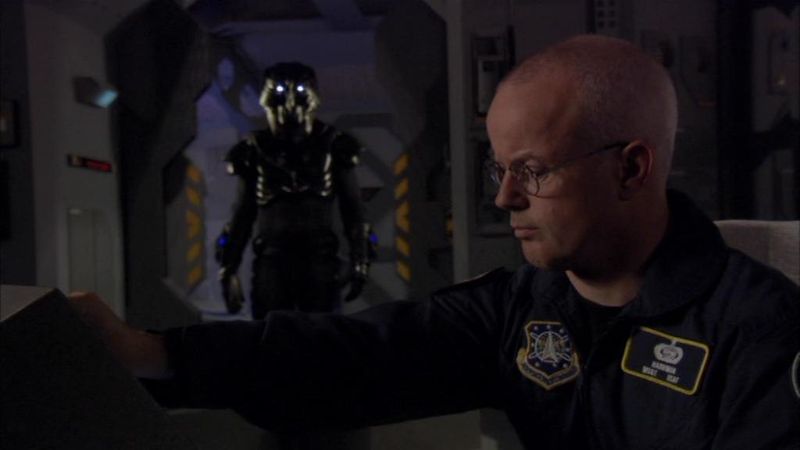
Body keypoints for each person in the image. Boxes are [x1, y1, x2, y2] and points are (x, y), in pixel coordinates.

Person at [69, 34, 800, 449]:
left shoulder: (761, 332)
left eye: (532, 171)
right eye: (499, 170)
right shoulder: (519, 310)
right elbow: (351, 356)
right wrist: (151, 353)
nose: (505, 198)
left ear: (631, 168)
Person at [214, 61, 375, 318]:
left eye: (298, 93)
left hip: (318, 259)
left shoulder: (333, 145)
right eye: (280, 94)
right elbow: (242, 214)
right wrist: (228, 268)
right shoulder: (254, 150)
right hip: (273, 259)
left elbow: (353, 211)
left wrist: (361, 260)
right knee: (273, 332)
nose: (289, 105)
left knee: (319, 332)